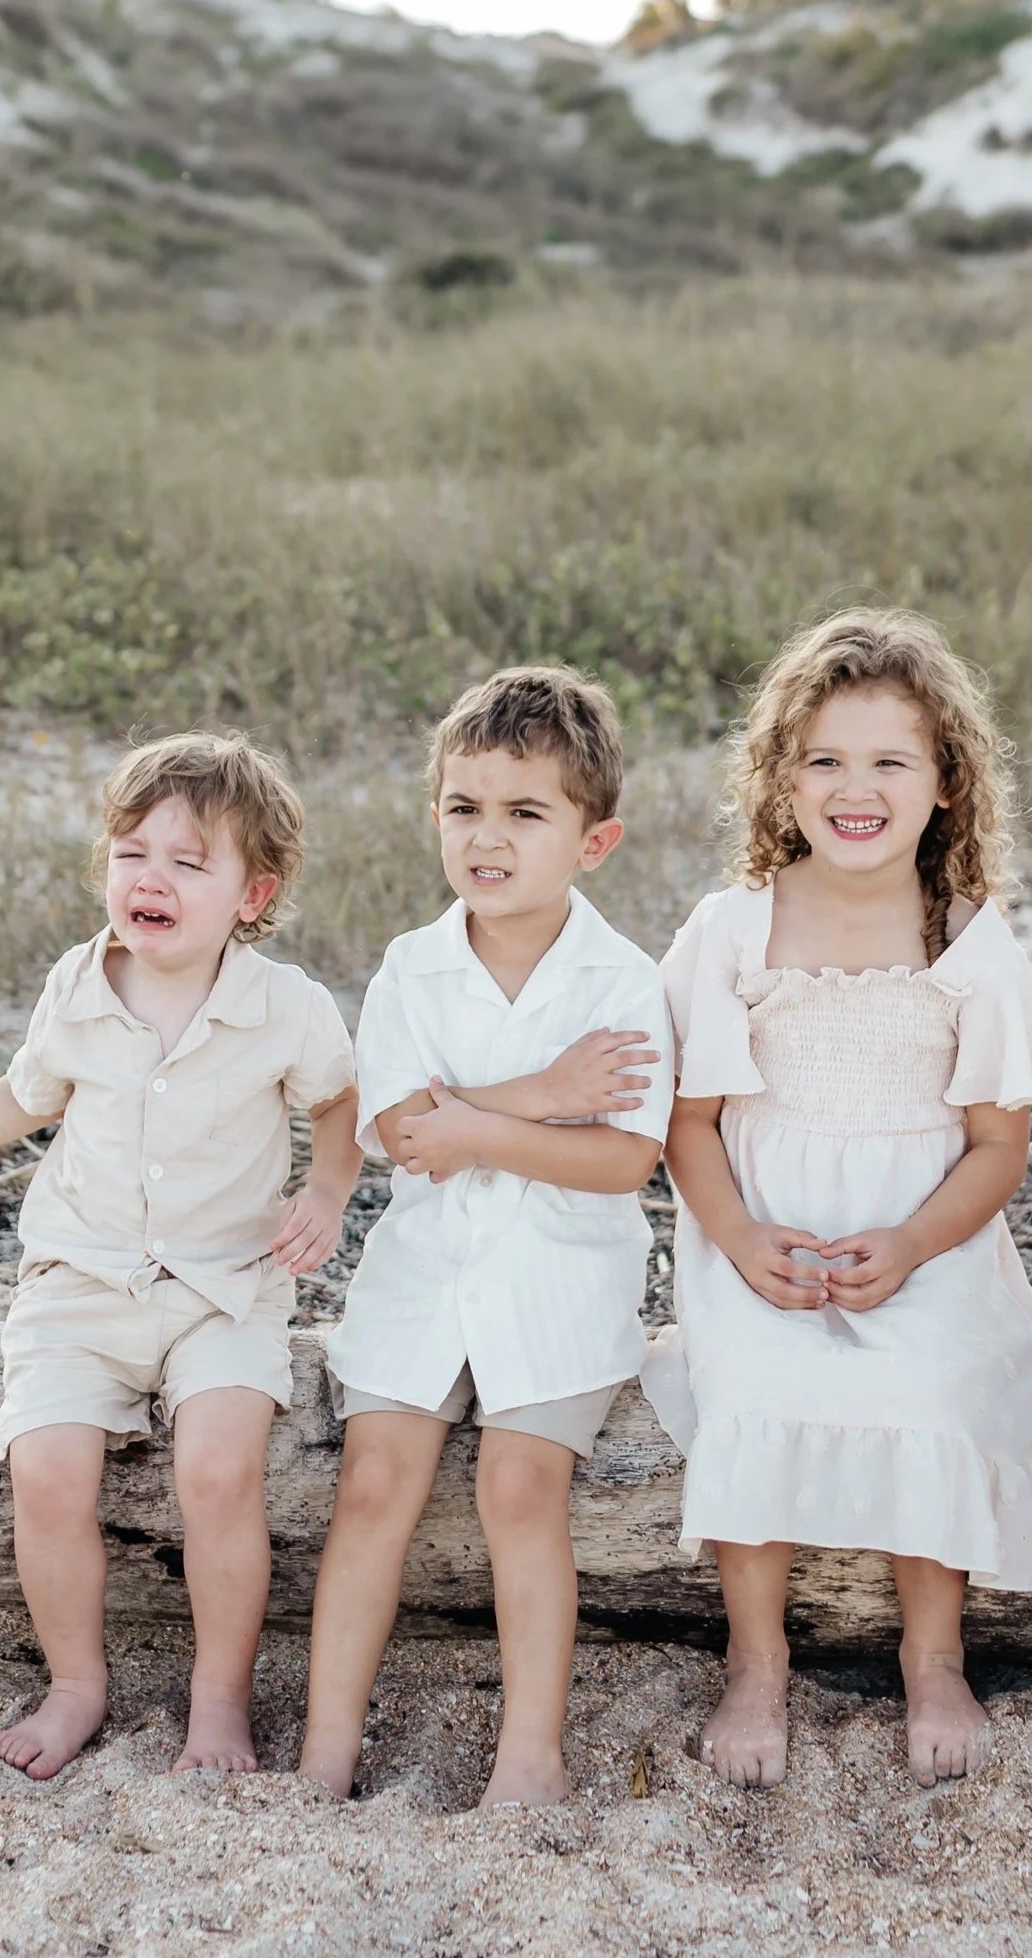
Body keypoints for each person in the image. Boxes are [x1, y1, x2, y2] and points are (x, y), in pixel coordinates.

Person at [0, 731, 360, 1780]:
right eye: (130, 852)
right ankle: (77, 1682)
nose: (149, 878)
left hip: (224, 1288)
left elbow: (338, 1101)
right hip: (80, 1283)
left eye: (188, 862)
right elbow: (26, 1096)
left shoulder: (283, 1004)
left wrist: (325, 1189)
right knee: (50, 1474)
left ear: (254, 893)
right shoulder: (78, 981)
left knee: (216, 1467)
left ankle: (218, 1698)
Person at [644, 608, 1032, 1791]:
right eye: (824, 759)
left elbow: (996, 1146)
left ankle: (933, 1655)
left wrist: (914, 1241)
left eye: (890, 760)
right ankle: (757, 1658)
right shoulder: (733, 928)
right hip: (760, 1229)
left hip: (924, 1239)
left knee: (932, 1388)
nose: (856, 788)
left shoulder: (967, 938)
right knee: (758, 1386)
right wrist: (734, 1239)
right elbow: (685, 1122)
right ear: (781, 781)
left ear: (945, 784)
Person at [298, 665, 672, 1808]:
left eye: (524, 812)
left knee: (519, 1487)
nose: (487, 837)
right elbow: (406, 1137)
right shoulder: (414, 965)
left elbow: (624, 1157)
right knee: (373, 1484)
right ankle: (323, 1750)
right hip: (423, 1273)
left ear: (592, 840)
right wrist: (547, 1091)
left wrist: (478, 1116)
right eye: (463, 807)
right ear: (434, 817)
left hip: (561, 1275)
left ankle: (531, 1752)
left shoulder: (624, 977)